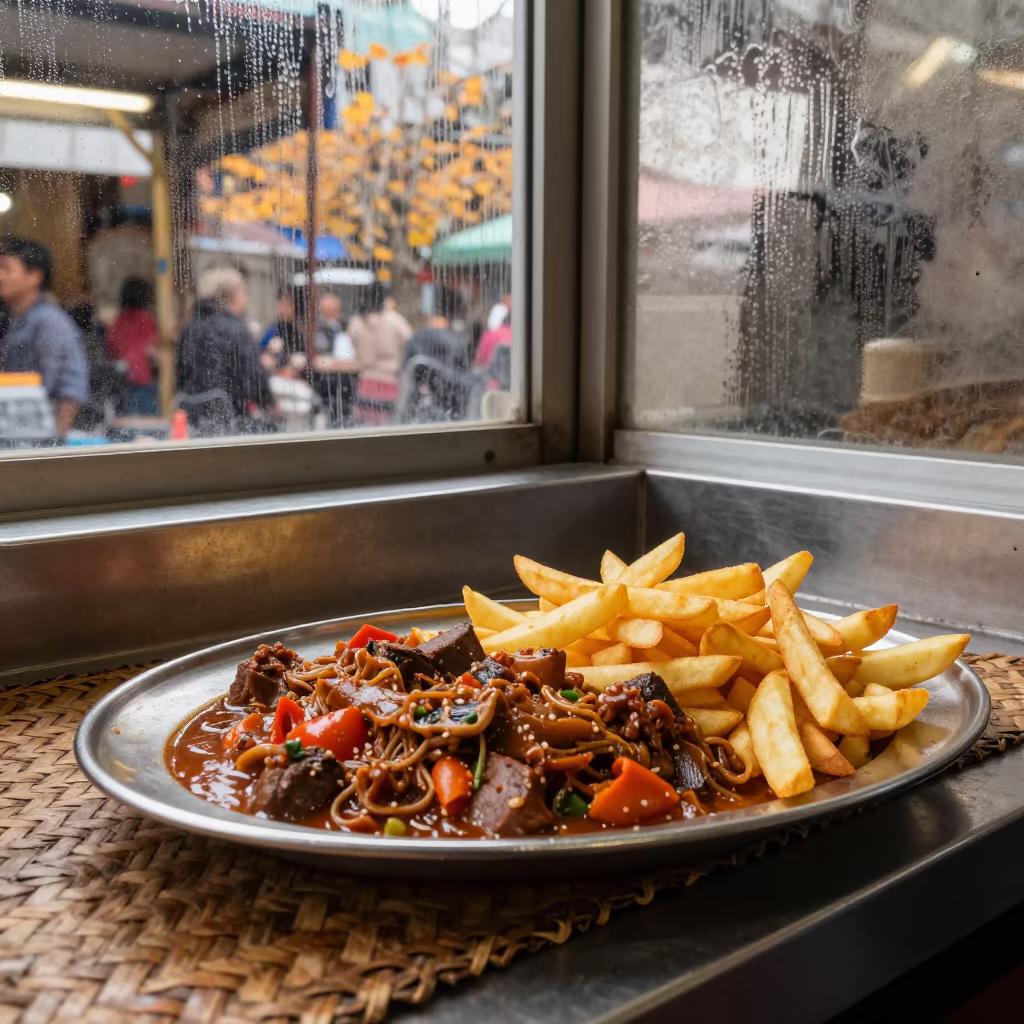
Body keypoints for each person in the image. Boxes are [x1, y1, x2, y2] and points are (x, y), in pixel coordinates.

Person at [0, 237, 88, 437]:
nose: (0, 276)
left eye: (7, 269)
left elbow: (70, 388)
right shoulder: (18, 320)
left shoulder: (49, 321)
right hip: (19, 432)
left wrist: (54, 445)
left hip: (41, 437)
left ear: (34, 276)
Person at [176, 267, 270, 434]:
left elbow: (181, 378)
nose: (248, 297)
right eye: (245, 291)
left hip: (195, 426)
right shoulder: (236, 329)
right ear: (234, 295)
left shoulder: (189, 329)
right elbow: (257, 385)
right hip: (233, 426)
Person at [399, 285, 473, 421]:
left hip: (417, 412)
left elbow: (405, 373)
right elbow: (464, 379)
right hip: (449, 411)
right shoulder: (460, 342)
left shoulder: (416, 339)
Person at [347, 282, 412, 425]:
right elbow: (409, 345)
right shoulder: (396, 321)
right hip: (391, 383)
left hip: (365, 382)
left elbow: (353, 345)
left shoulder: (356, 322)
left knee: (366, 430)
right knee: (387, 429)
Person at [107, 277, 158, 415]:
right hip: (143, 378)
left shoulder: (118, 321)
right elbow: (152, 351)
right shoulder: (147, 320)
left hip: (123, 378)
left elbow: (111, 347)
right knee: (148, 427)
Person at [312, 291, 357, 427]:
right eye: (323, 311)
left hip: (347, 385)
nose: (325, 314)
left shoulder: (348, 326)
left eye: (329, 310)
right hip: (326, 386)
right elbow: (317, 361)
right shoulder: (318, 330)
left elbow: (355, 359)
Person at [259, 288, 305, 367]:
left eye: (285, 305)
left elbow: (299, 354)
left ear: (294, 308)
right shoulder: (273, 327)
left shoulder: (299, 330)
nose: (280, 308)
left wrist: (283, 350)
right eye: (279, 304)